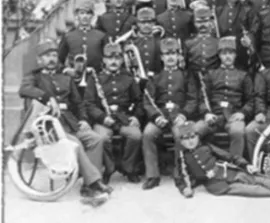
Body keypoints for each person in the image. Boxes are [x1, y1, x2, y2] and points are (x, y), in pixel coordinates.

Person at [19, 39, 112, 198]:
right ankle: (94, 182)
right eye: (47, 56)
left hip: (71, 124)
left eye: (54, 55)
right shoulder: (34, 77)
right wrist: (48, 98)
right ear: (39, 60)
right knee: (75, 144)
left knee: (96, 139)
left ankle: (88, 183)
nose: (52, 59)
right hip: (49, 129)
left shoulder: (66, 78)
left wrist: (83, 119)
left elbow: (78, 103)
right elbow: (24, 89)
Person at [173, 121, 270, 199]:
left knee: (261, 179)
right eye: (186, 138)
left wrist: (246, 165)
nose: (190, 141)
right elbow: (178, 177)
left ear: (197, 136)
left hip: (230, 172)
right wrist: (184, 189)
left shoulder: (207, 146)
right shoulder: (181, 157)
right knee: (256, 191)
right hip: (217, 185)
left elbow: (230, 156)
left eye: (192, 137)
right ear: (181, 141)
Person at [141, 37, 197, 190]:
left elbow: (193, 99)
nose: (171, 57)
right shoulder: (155, 77)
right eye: (167, 54)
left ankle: (181, 174)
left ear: (179, 56)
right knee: (147, 134)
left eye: (174, 53)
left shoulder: (186, 76)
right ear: (162, 57)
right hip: (161, 115)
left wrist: (184, 115)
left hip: (179, 115)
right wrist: (156, 117)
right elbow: (148, 101)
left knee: (182, 135)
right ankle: (152, 175)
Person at [85, 42, 143, 183]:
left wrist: (136, 117)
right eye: (110, 58)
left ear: (122, 60)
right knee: (102, 138)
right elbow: (89, 103)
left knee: (136, 135)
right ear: (104, 60)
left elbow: (139, 101)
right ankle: (109, 169)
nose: (113, 61)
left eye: (117, 58)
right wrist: (102, 118)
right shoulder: (95, 78)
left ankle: (128, 168)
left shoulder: (128, 78)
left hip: (124, 118)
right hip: (103, 120)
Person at [193, 36, 254, 157]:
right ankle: (200, 165)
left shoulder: (243, 75)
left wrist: (243, 113)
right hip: (214, 116)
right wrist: (206, 113)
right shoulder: (210, 75)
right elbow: (201, 99)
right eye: (224, 53)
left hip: (233, 117)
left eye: (230, 53)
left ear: (235, 55)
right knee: (194, 131)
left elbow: (251, 100)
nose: (227, 56)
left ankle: (236, 166)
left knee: (238, 131)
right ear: (219, 55)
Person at [58, 1, 107, 74]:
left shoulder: (101, 35)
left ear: (92, 15)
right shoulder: (68, 36)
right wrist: (66, 70)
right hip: (74, 76)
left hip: (96, 75)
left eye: (88, 13)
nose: (85, 16)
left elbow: (106, 57)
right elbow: (59, 59)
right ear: (77, 15)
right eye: (82, 13)